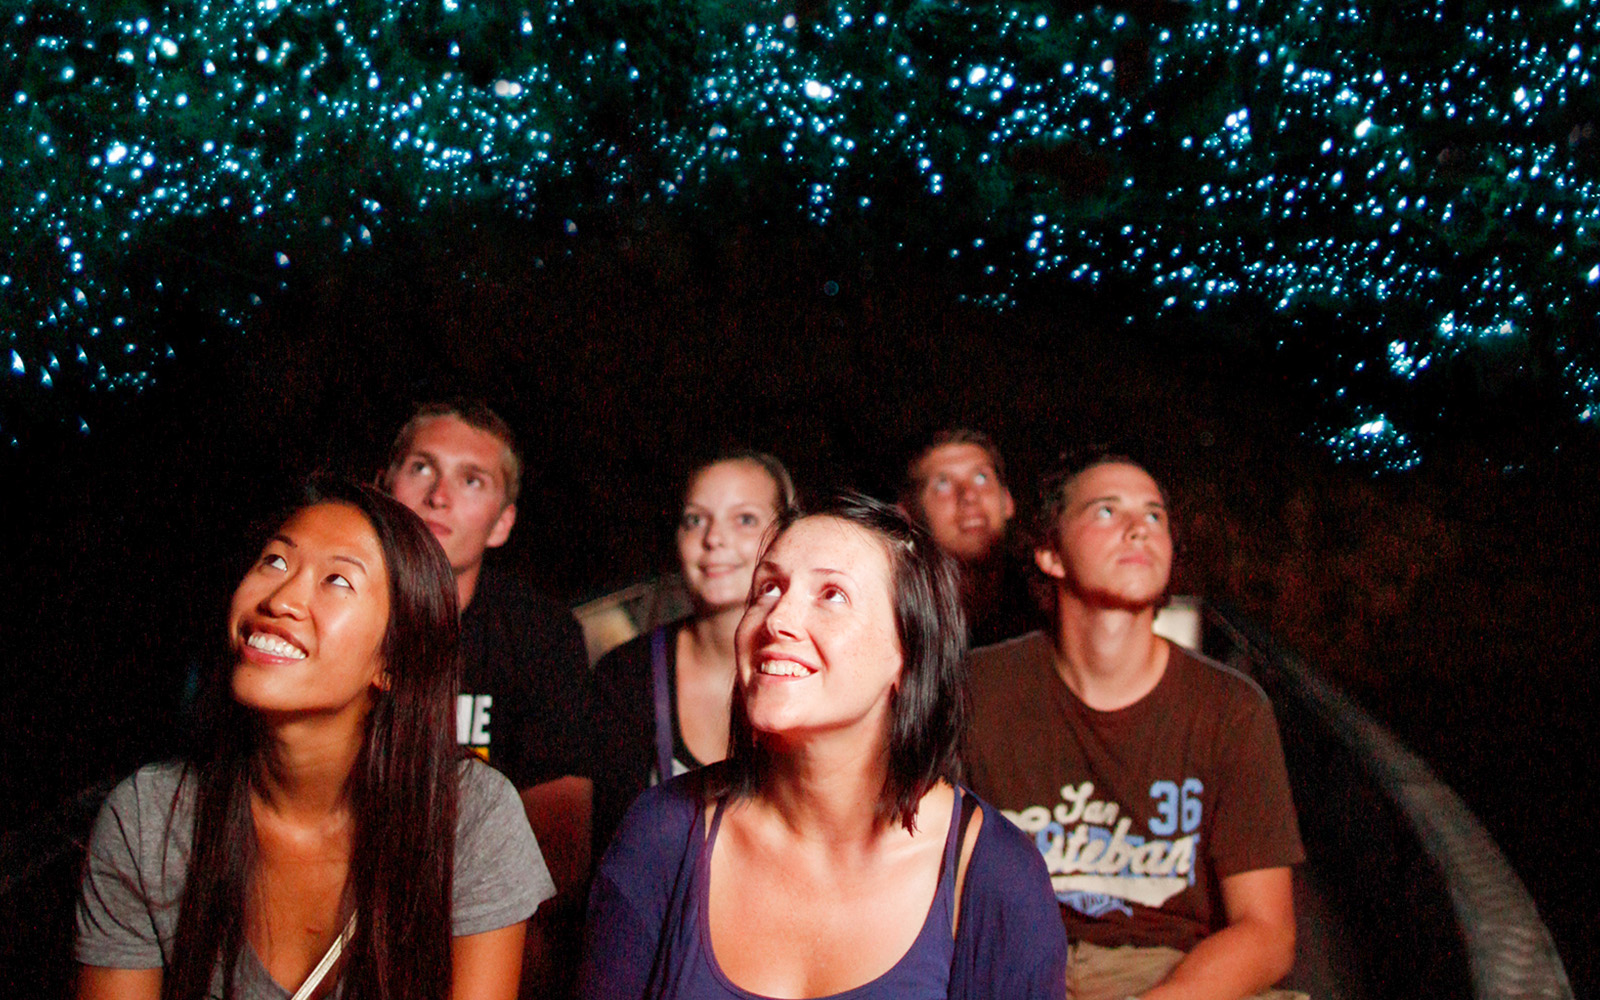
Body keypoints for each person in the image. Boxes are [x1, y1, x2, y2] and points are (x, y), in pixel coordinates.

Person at [76, 479, 551, 1000]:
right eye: (275, 562)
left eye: (337, 581)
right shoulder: (151, 820)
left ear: (392, 660)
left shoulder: (472, 820)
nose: (281, 599)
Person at [580, 496, 1067, 1000]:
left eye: (832, 594)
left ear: (907, 652)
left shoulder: (994, 875)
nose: (777, 620)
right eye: (768, 588)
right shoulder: (662, 833)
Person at [964, 453, 1304, 1000]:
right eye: (1106, 511)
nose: (1138, 528)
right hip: (1012, 967)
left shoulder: (1230, 709)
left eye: (1155, 516)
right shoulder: (976, 690)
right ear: (1050, 553)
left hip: (1167, 972)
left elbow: (1267, 931)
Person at [380, 401, 591, 895]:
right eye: (421, 468)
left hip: (474, 915)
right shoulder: (323, 612)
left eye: (471, 480)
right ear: (382, 485)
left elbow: (557, 854)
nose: (438, 496)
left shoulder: (541, 637)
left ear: (501, 524)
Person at [588, 451, 794, 859]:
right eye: (696, 519)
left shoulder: (817, 671)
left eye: (745, 519)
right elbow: (606, 855)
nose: (713, 538)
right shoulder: (628, 676)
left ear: (787, 534)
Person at [900, 428, 1037, 646]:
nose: (969, 495)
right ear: (908, 514)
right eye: (943, 484)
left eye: (981, 478)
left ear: (1008, 500)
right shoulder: (899, 622)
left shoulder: (1049, 609)